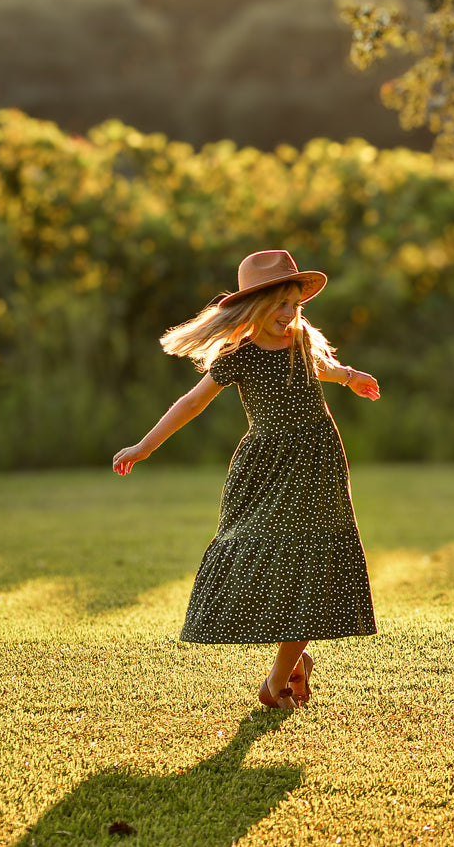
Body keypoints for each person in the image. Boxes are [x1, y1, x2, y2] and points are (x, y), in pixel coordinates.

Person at [113, 250, 381, 710]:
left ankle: (277, 680)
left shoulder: (300, 340)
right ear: (251, 307)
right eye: (277, 304)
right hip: (267, 467)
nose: (287, 314)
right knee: (264, 557)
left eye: (294, 305)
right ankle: (294, 662)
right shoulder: (240, 354)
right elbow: (191, 403)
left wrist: (351, 376)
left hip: (318, 463)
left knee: (315, 562)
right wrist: (144, 446)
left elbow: (324, 368)